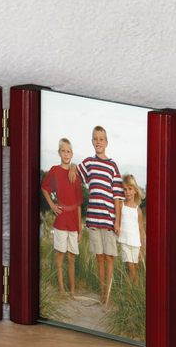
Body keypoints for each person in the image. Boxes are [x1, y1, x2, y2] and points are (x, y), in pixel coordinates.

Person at [78, 126, 124, 306]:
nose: (98, 142)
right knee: (99, 257)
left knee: (109, 257)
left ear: (106, 143)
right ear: (92, 142)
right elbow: (74, 176)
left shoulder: (112, 166)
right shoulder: (88, 163)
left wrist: (117, 221)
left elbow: (117, 196)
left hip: (109, 219)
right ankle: (102, 292)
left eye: (101, 139)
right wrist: (71, 170)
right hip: (93, 219)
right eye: (95, 139)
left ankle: (109, 296)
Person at [41, 138, 83, 298]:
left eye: (68, 151)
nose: (65, 154)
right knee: (60, 255)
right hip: (60, 222)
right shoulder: (54, 171)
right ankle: (61, 290)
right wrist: (52, 205)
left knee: (71, 258)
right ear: (59, 153)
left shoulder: (76, 176)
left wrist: (79, 228)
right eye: (63, 151)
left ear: (72, 154)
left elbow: (79, 204)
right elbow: (44, 187)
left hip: (73, 223)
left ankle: (72, 291)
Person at [118, 174, 145, 285]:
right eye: (125, 189)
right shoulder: (121, 205)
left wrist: (142, 249)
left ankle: (135, 292)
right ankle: (129, 295)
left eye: (130, 189)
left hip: (136, 244)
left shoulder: (138, 211)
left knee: (136, 269)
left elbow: (141, 231)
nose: (127, 192)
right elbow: (117, 222)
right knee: (131, 269)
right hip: (125, 242)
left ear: (135, 191)